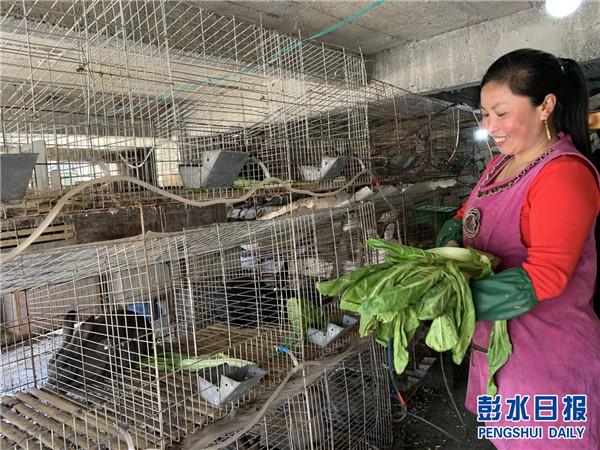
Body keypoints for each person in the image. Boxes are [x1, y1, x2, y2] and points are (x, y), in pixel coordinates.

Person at [436, 49, 600, 449]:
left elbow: (545, 276)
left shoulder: (563, 175)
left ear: (545, 106)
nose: (490, 126)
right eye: (485, 113)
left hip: (544, 358)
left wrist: (451, 300)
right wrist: (452, 235)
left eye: (501, 112)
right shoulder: (498, 165)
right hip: (496, 349)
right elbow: (467, 212)